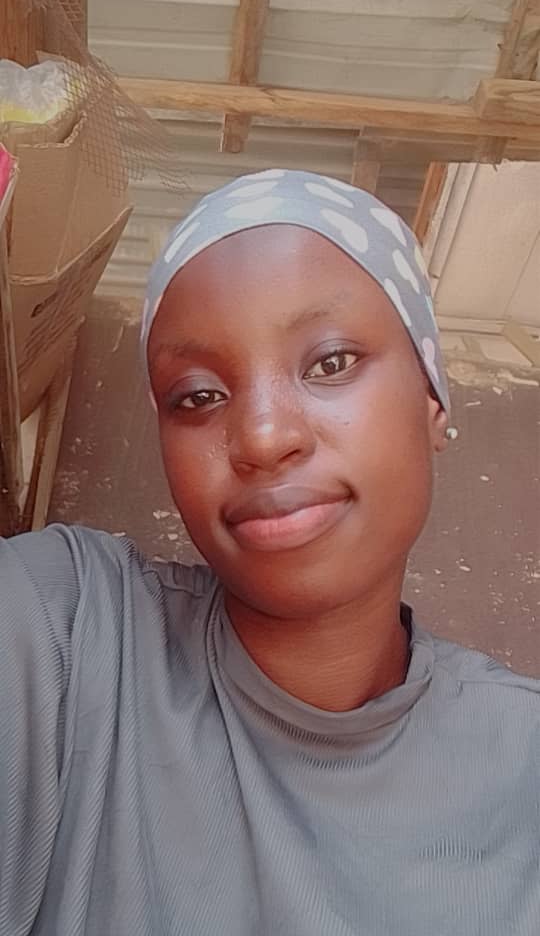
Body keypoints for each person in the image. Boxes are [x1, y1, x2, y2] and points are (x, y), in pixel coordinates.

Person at [0, 169, 538, 936]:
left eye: (330, 363)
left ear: (433, 400)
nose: (260, 436)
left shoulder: (525, 767)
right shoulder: (65, 632)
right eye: (198, 396)